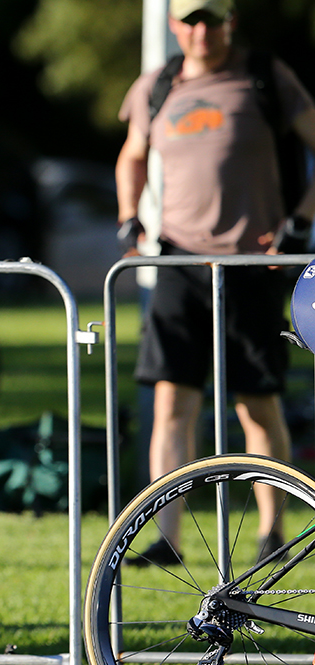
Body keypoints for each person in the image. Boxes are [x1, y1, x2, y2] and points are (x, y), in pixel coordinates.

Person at [115, 0, 315, 566]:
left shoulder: (264, 76)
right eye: (191, 20)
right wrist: (131, 216)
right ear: (176, 26)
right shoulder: (157, 85)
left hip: (253, 265)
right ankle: (167, 537)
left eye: (212, 19)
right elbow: (132, 156)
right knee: (171, 402)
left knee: (258, 403)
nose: (201, 31)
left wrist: (299, 220)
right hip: (179, 264)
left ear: (230, 22)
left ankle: (272, 530)